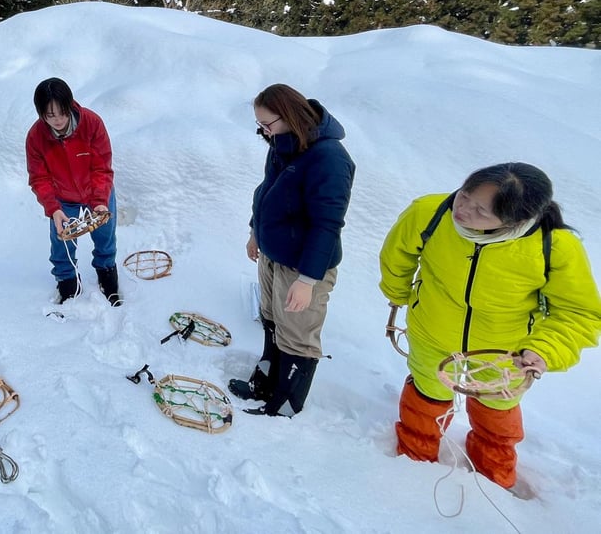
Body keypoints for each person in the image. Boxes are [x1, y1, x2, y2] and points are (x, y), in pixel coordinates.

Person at [379, 162, 601, 492]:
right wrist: (398, 294)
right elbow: (398, 256)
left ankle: (494, 478)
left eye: (480, 210)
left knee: (497, 408)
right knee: (427, 395)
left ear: (516, 220)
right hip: (431, 332)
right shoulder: (430, 213)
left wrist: (543, 350)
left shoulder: (555, 246)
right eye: (465, 195)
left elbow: (578, 313)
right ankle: (413, 462)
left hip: (503, 353)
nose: (463, 209)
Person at [228, 84, 355, 417]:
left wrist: (308, 279)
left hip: (303, 267)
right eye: (260, 127)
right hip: (273, 254)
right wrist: (255, 231)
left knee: (297, 333)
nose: (263, 133)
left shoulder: (329, 158)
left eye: (267, 125)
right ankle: (267, 382)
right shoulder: (282, 144)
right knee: (272, 319)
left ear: (290, 116)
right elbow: (267, 192)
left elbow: (327, 224)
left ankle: (285, 404)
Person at [25, 77, 120, 305]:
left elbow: (102, 166)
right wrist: (53, 208)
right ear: (41, 114)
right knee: (61, 241)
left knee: (105, 235)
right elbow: (39, 178)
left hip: (96, 191)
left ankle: (106, 271)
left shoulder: (91, 123)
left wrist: (99, 200)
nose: (57, 120)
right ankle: (66, 280)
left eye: (61, 113)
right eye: (50, 115)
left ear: (70, 106)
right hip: (62, 196)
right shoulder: (36, 137)